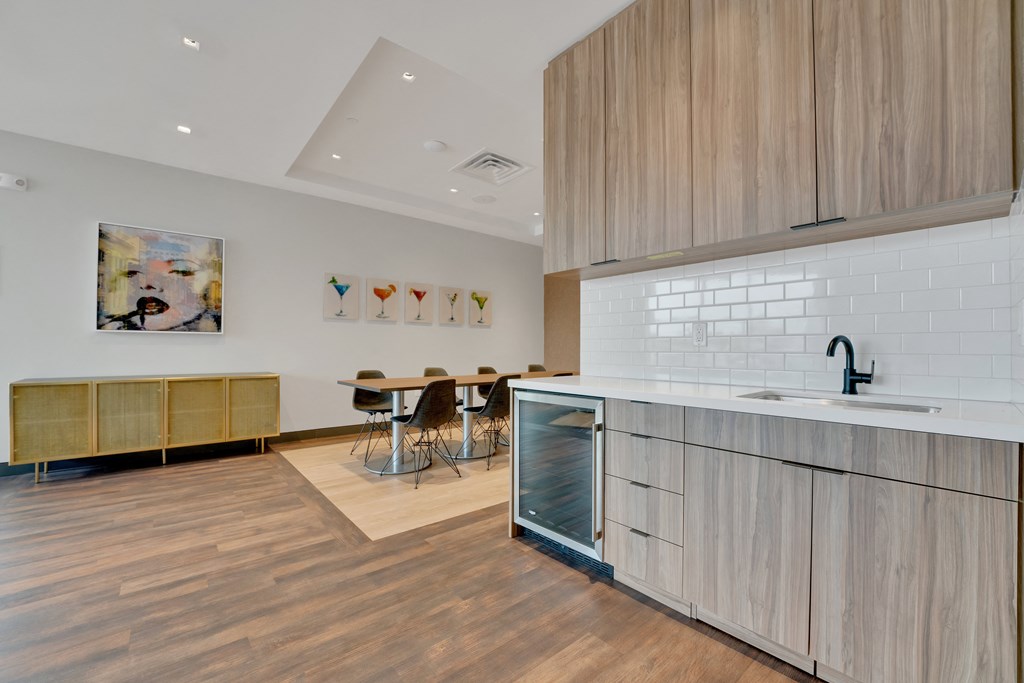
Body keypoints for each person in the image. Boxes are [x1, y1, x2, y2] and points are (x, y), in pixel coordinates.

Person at [97, 225, 222, 332]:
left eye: (163, 279)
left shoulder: (200, 322)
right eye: (135, 275)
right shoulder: (119, 323)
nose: (148, 286)